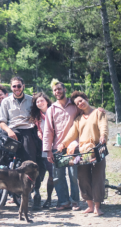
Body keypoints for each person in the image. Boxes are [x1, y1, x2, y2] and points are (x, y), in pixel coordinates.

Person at [57, 91, 108, 216]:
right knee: (83, 178)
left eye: (81, 100)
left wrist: (103, 136)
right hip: (83, 152)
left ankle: (97, 207)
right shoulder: (78, 119)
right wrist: (63, 144)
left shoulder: (98, 113)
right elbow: (71, 134)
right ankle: (89, 205)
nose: (80, 104)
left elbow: (103, 126)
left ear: (86, 99)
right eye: (77, 103)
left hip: (97, 150)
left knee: (98, 177)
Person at [42, 80, 81, 211]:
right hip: (57, 147)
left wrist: (98, 110)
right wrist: (47, 151)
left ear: (64, 89)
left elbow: (86, 114)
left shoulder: (75, 106)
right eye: (55, 90)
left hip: (73, 147)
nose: (57, 91)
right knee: (58, 177)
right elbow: (48, 131)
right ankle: (63, 201)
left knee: (73, 176)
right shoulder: (51, 109)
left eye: (59, 89)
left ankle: (75, 201)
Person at [0, 76, 37, 162]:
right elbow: (2, 122)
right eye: (14, 86)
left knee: (29, 159)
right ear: (11, 87)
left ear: (23, 86)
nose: (17, 88)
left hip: (27, 130)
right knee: (5, 158)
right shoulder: (5, 101)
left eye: (19, 86)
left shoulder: (32, 100)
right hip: (12, 131)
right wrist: (9, 131)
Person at [29, 92, 54, 209]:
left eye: (41, 101)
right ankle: (40, 197)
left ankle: (50, 199)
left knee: (54, 174)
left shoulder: (54, 111)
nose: (39, 103)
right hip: (42, 148)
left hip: (55, 145)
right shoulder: (36, 117)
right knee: (44, 173)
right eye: (37, 102)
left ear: (47, 101)